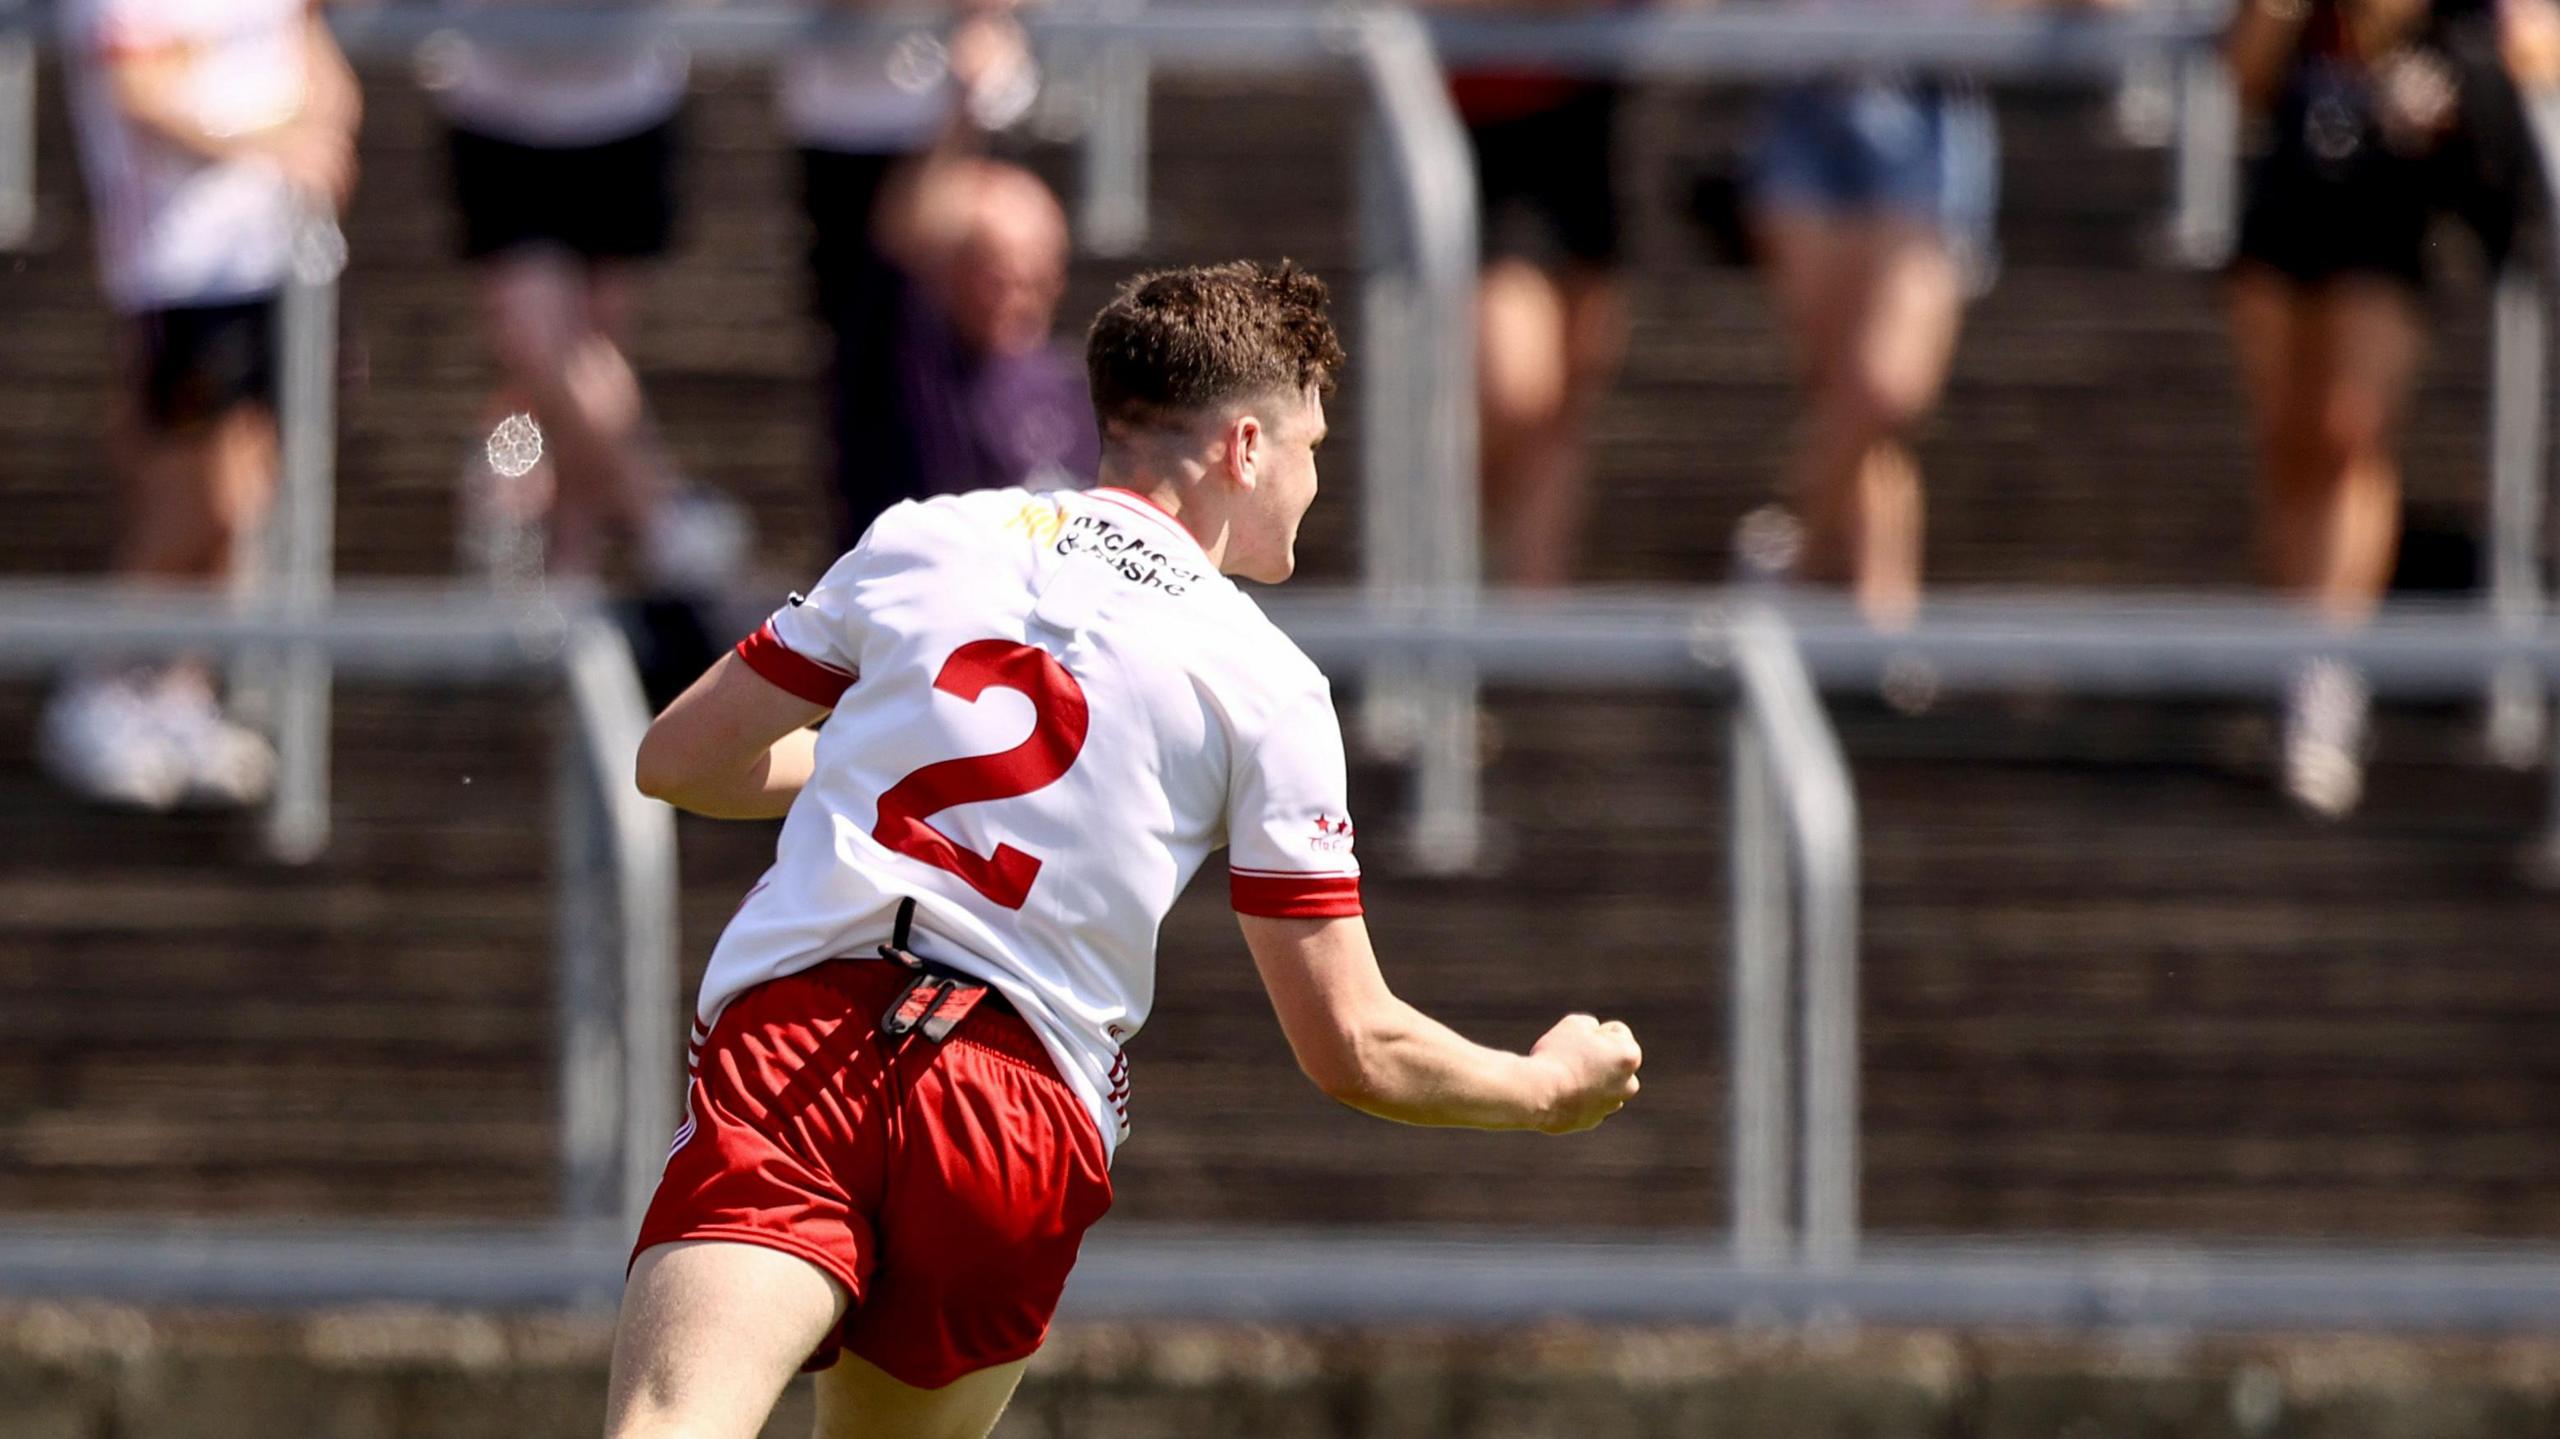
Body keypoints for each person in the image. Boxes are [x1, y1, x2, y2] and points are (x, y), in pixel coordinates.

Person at [609, 261, 1645, 1439]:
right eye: (1311, 447)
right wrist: (1543, 1088)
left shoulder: (929, 537)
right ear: (1246, 446)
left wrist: (854, 772)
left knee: (673, 1421)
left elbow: (678, 759)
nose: (1312, 482)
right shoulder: (1269, 682)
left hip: (805, 1038)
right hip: (1015, 1103)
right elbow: (1354, 1044)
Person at [2225, 0, 2560, 814]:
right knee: (2292, 443)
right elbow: (2244, 81)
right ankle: (2296, 653)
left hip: (2392, 222)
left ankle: (2326, 674)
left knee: (2351, 434)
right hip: (2290, 204)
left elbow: (2528, 58)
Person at [45, 0, 359, 809]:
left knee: (247, 493)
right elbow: (139, 91)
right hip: (177, 270)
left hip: (277, 261)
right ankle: (101, 680)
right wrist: (273, 139)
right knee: (196, 494)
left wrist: (301, 133)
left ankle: (182, 689)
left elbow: (320, 70)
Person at [423, 11, 747, 619]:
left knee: (597, 348)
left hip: (622, 106)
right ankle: (664, 511)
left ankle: (572, 578)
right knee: (534, 339)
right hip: (502, 111)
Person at [788, 0, 1092, 550]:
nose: (1015, 298)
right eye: (995, 276)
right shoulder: (911, 358)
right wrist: (964, 102)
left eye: (1035, 278)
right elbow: (907, 229)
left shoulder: (1065, 387)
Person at [1744, 71, 2001, 628]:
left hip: (1926, 103)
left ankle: (1794, 546)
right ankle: (1884, 619)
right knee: (1841, 392)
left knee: (1883, 389)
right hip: (1805, 102)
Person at [1440, 3, 1632, 588]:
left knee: (1563, 412)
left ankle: (1528, 635)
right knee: (1515, 391)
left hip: (1594, 113)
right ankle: (1445, 585)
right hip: (1479, 125)